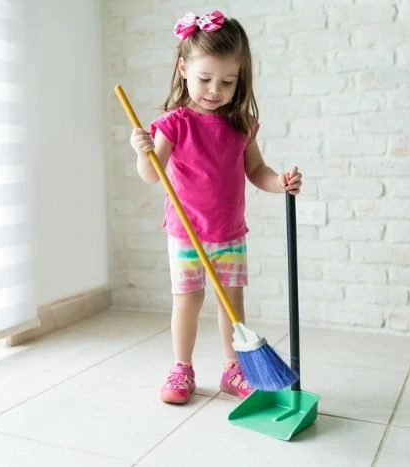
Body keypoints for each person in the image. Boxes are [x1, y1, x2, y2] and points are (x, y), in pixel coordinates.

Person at [128, 9, 303, 404]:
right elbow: (152, 174)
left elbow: (256, 169)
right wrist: (143, 153)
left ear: (241, 79)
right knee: (188, 302)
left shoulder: (241, 123)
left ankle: (233, 368)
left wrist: (278, 183)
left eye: (227, 81)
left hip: (228, 232)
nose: (214, 90)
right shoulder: (174, 124)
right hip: (186, 232)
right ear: (183, 68)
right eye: (205, 79)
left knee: (232, 304)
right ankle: (182, 368)